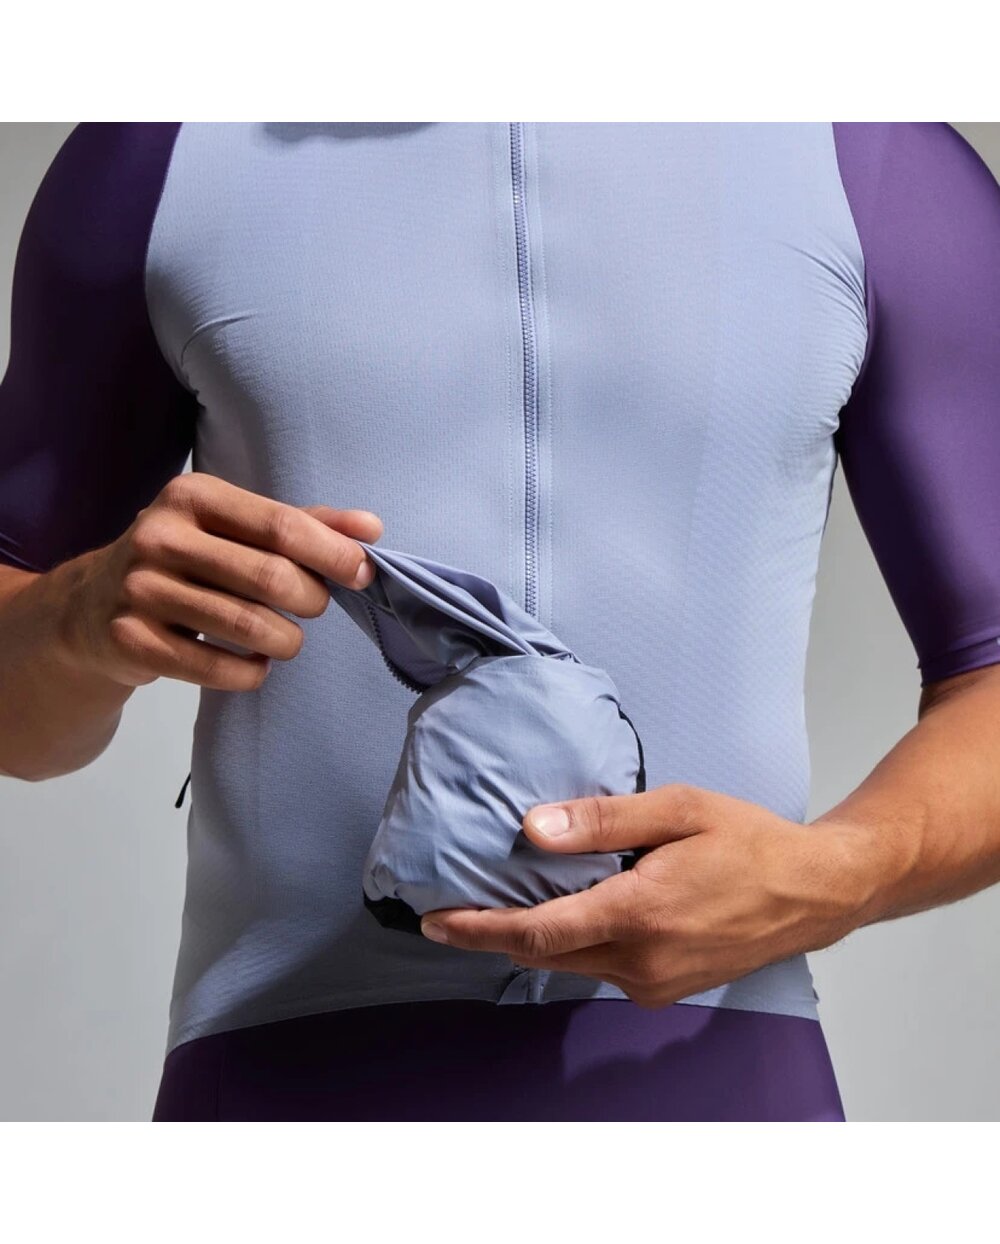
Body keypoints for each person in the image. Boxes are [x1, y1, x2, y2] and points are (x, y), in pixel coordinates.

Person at [1, 121, 998, 1123]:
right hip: (278, 1095)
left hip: (723, 1088)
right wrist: (73, 617)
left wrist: (838, 872)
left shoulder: (865, 157)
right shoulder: (161, 150)